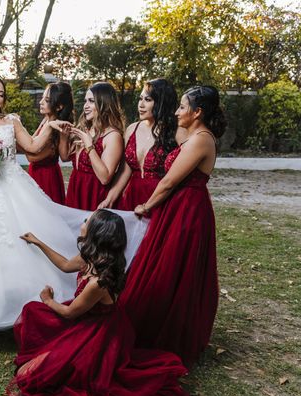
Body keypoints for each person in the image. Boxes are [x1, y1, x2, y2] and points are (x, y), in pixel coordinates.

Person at [0, 76, 148, 334]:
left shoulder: (11, 121)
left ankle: (20, 308)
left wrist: (52, 125)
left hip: (12, 188)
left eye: (1, 93)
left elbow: (32, 146)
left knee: (20, 248)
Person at [8, 209, 193, 396]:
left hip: (96, 331)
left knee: (28, 377)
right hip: (85, 317)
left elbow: (69, 313)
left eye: (88, 220)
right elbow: (66, 264)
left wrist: (47, 300)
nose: (83, 221)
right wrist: (38, 242)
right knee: (32, 313)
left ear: (98, 232)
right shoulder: (92, 257)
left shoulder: (99, 280)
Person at [120, 86, 226, 364]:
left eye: (182, 107)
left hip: (188, 211)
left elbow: (168, 181)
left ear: (197, 112)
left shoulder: (202, 140)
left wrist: (146, 206)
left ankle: (171, 332)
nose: (177, 112)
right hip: (177, 207)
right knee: (162, 265)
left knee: (175, 269)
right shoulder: (192, 136)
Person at [99, 79, 179, 211]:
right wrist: (110, 198)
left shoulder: (175, 132)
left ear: (161, 103)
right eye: (140, 99)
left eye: (147, 100)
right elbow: (125, 170)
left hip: (159, 200)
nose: (141, 105)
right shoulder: (132, 129)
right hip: (131, 197)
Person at [61, 82, 125, 210]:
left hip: (94, 194)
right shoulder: (86, 129)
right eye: (85, 101)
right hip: (75, 190)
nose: (85, 106)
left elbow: (105, 178)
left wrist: (89, 146)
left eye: (91, 101)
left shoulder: (113, 136)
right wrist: (63, 136)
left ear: (104, 104)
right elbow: (64, 157)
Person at [24, 81, 73, 204]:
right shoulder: (46, 121)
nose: (40, 102)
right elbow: (30, 142)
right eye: (42, 99)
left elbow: (31, 156)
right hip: (35, 173)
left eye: (46, 100)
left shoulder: (57, 129)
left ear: (59, 106)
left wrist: (16, 138)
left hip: (46, 179)